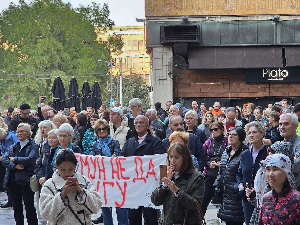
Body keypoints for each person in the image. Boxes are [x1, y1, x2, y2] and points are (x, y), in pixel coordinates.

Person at [120, 115, 164, 225]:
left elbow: (161, 163)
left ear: (148, 125)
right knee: (133, 218)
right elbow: (122, 160)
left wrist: (163, 183)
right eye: (136, 123)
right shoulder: (129, 142)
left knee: (151, 218)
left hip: (150, 187)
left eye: (141, 122)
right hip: (133, 187)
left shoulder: (156, 142)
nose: (138, 125)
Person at [39, 149, 102, 224]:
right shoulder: (49, 185)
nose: (67, 173)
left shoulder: (84, 181)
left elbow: (96, 207)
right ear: (56, 166)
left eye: (70, 169)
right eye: (63, 169)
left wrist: (82, 192)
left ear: (75, 166)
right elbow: (46, 214)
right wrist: (62, 196)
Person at [151, 143, 205, 225]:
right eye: (170, 157)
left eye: (177, 157)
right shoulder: (166, 173)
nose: (172, 160)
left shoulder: (196, 177)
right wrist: (164, 185)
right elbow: (155, 201)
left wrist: (177, 191)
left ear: (185, 159)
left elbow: (195, 205)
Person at [90, 119, 128, 225]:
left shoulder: (114, 142)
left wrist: (115, 156)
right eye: (99, 129)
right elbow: (91, 159)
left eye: (104, 129)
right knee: (105, 205)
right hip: (102, 179)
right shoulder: (94, 145)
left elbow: (119, 154)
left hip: (115, 177)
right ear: (96, 131)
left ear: (107, 129)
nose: (102, 131)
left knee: (120, 204)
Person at [2, 123, 39, 225]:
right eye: (18, 132)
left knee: (29, 207)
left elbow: (31, 159)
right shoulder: (14, 146)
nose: (19, 134)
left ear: (28, 133)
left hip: (26, 180)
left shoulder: (33, 146)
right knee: (16, 207)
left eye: (22, 131)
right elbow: (5, 160)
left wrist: (14, 159)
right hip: (13, 180)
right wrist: (14, 166)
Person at [214, 127, 248, 225]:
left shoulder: (244, 153)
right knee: (225, 220)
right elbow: (221, 171)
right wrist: (217, 184)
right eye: (229, 134)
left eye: (234, 135)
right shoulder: (226, 152)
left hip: (235, 194)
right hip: (225, 194)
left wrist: (236, 187)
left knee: (235, 220)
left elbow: (243, 174)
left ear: (240, 137)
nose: (230, 137)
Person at [237, 121, 268, 225]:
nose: (251, 135)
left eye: (254, 132)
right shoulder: (245, 154)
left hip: (264, 198)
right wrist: (241, 187)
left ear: (262, 134)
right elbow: (239, 174)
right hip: (247, 198)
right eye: (249, 133)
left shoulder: (268, 152)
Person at [257, 154, 300, 224]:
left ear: (286, 172)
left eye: (275, 169)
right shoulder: (265, 198)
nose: (270, 174)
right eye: (268, 169)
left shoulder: (296, 200)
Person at [201, 122, 228, 215]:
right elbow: (202, 157)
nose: (213, 131)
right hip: (210, 173)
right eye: (211, 130)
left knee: (225, 201)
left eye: (216, 129)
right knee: (204, 199)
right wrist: (209, 164)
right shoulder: (208, 143)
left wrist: (223, 163)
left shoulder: (227, 142)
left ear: (222, 129)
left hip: (223, 174)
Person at [279, 113, 300, 191]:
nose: (282, 127)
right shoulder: (278, 145)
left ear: (295, 126)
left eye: (286, 124)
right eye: (280, 124)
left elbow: (295, 167)